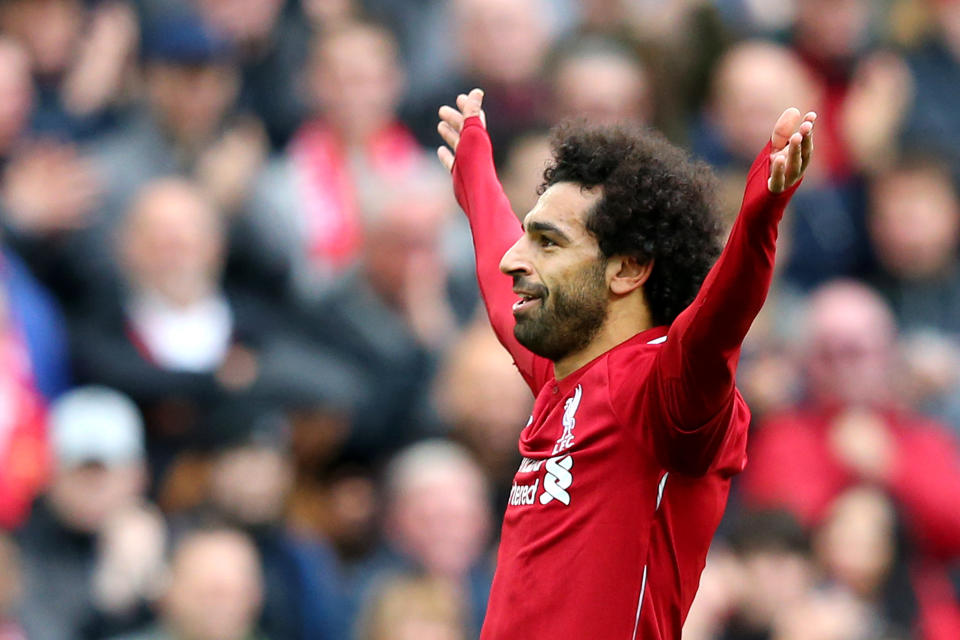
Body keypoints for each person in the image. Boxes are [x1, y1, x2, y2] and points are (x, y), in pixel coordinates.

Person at [435, 88, 815, 638]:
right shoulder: (562, 375)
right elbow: (501, 295)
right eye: (525, 235)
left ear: (627, 270)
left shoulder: (665, 395)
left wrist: (763, 209)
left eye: (546, 243)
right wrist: (475, 171)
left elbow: (721, 318)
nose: (514, 258)